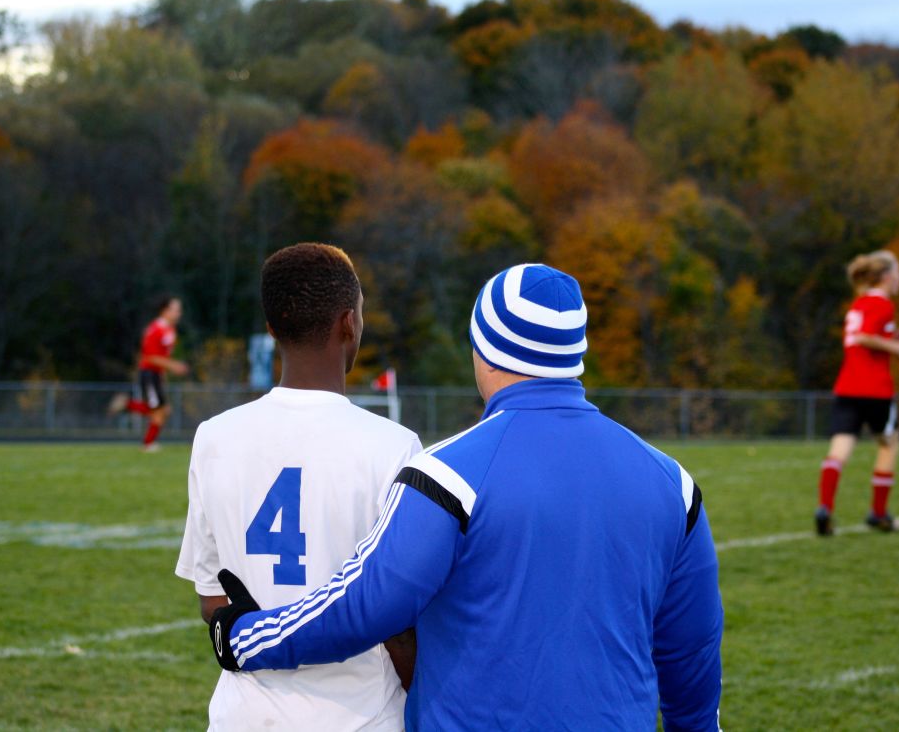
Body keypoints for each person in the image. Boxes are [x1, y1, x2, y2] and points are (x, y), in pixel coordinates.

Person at [207, 264, 723, 731]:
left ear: (484, 347)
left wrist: (247, 637)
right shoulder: (672, 483)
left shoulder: (450, 473)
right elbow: (692, 652)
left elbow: (367, 605)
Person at [176, 243, 422, 730]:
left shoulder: (214, 436)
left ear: (272, 328)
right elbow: (399, 618)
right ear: (348, 322)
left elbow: (213, 600)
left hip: (245, 715)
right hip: (359, 715)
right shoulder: (395, 446)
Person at [815, 250, 899, 536]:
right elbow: (865, 337)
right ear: (886, 276)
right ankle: (879, 514)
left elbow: (864, 338)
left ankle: (825, 508)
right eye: (898, 272)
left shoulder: (859, 303)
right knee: (889, 444)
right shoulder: (882, 304)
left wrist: (893, 338)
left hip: (848, 386)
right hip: (875, 390)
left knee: (839, 450)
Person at [108, 295, 189, 452]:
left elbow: (162, 357)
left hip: (156, 375)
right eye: (176, 310)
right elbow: (150, 357)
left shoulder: (169, 330)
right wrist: (174, 365)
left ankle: (147, 440)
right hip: (149, 374)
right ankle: (147, 442)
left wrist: (164, 375)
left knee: (162, 411)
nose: (179, 313)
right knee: (159, 412)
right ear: (165, 311)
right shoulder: (155, 329)